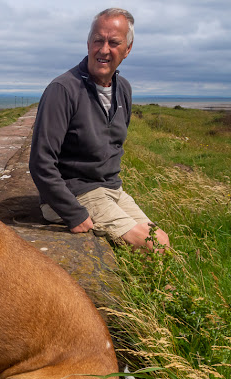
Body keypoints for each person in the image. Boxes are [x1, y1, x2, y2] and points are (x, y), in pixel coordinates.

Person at [29, 8, 170, 252]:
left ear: (128, 49)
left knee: (160, 238)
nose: (104, 50)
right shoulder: (63, 90)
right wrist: (73, 213)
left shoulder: (123, 88)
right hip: (74, 194)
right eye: (98, 40)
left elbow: (114, 146)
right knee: (150, 246)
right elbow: (40, 162)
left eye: (114, 42)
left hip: (112, 189)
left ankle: (163, 291)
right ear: (88, 43)